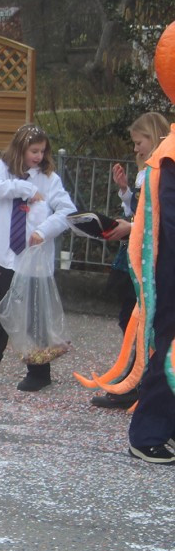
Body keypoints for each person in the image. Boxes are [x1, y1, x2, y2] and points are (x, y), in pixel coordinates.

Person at [0, 124, 75, 391]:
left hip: (34, 258)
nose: (39, 156)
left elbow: (67, 211)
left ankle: (39, 371)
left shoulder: (50, 178)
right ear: (21, 149)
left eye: (42, 151)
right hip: (6, 255)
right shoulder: (2, 168)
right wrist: (25, 188)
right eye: (34, 151)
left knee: (35, 315)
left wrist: (44, 230)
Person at [93, 112, 170, 408]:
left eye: (140, 142)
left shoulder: (161, 169)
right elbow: (143, 211)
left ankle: (137, 382)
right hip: (139, 255)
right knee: (131, 318)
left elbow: (154, 218)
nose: (135, 148)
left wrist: (131, 226)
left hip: (150, 259)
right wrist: (125, 193)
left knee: (138, 320)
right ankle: (135, 380)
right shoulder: (148, 171)